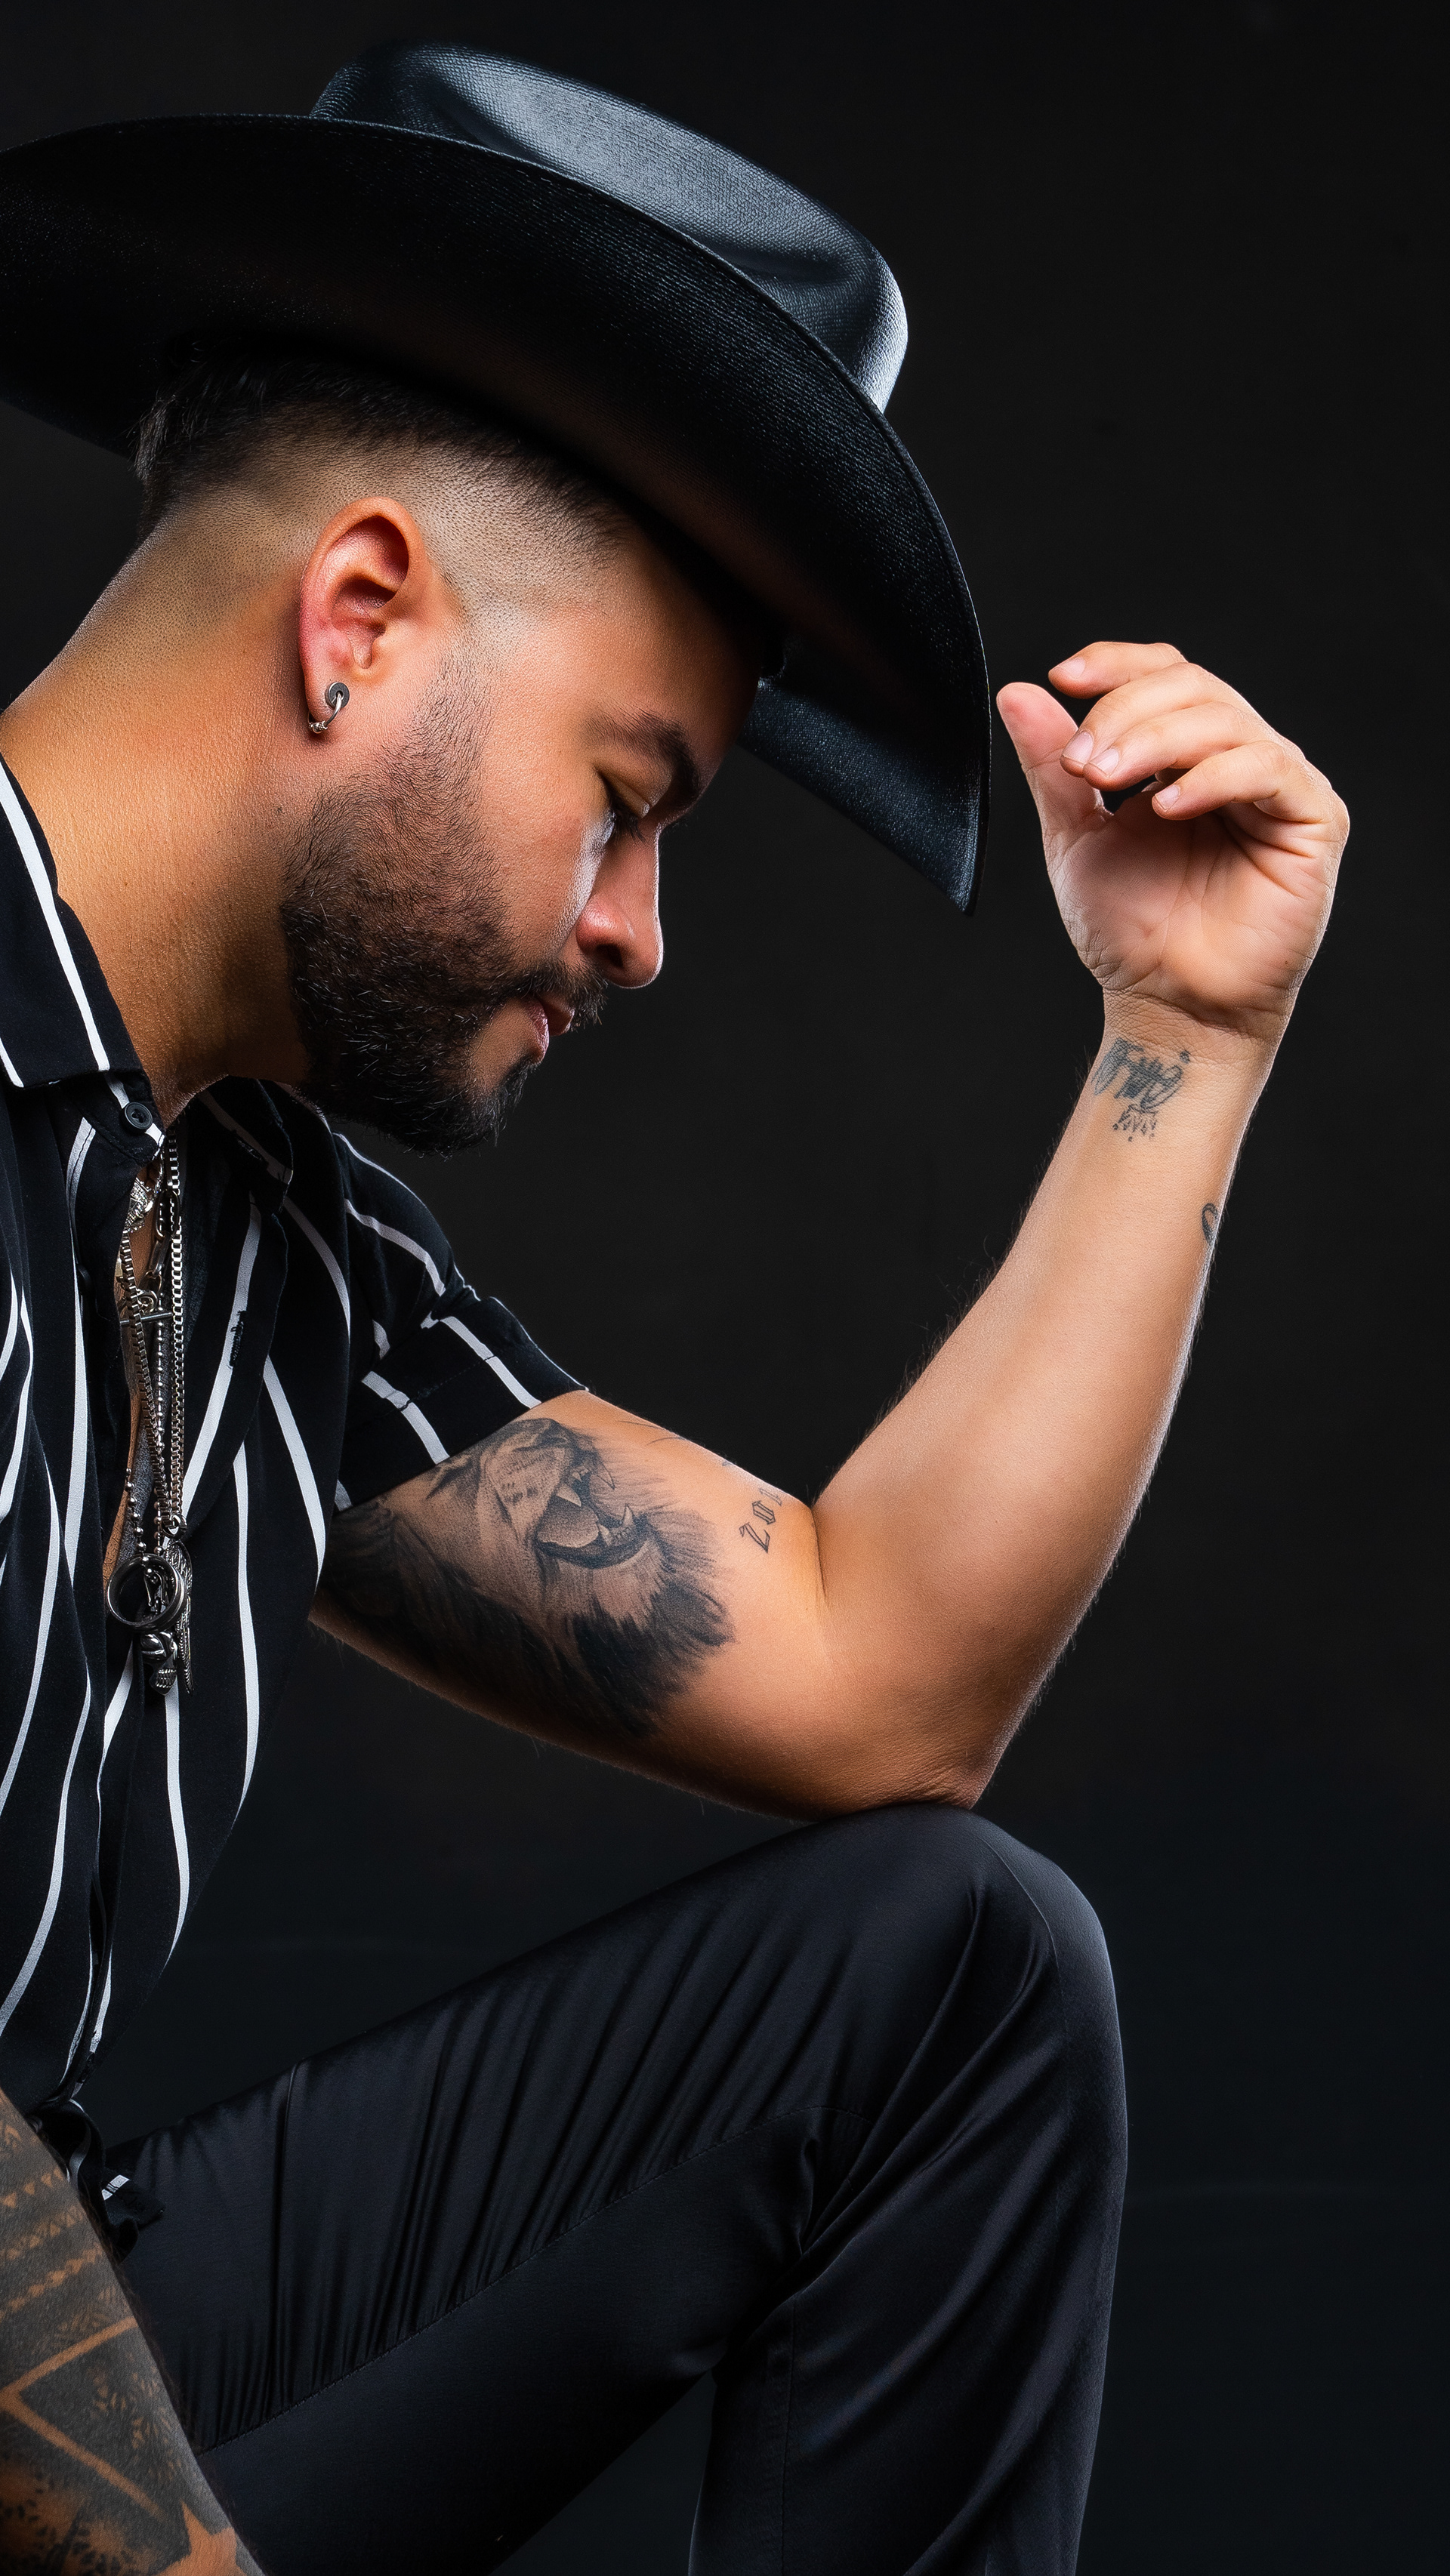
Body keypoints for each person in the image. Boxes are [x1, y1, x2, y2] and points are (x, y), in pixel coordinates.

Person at [0, 42, 1347, 2576]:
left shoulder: (247, 1221)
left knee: (950, 1976)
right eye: (627, 799)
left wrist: (1184, 1031)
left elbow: (874, 1678)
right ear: (359, 621)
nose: (636, 935)